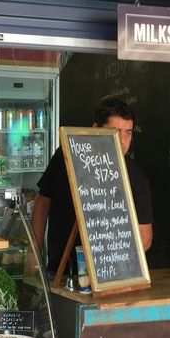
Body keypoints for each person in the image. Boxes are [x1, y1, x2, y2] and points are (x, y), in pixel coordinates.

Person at [32, 97, 153, 275]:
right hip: (59, 272)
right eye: (115, 131)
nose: (122, 140)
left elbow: (145, 237)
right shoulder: (66, 156)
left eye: (128, 132)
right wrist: (34, 254)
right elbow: (42, 205)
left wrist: (114, 268)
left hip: (109, 277)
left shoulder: (135, 176)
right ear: (95, 129)